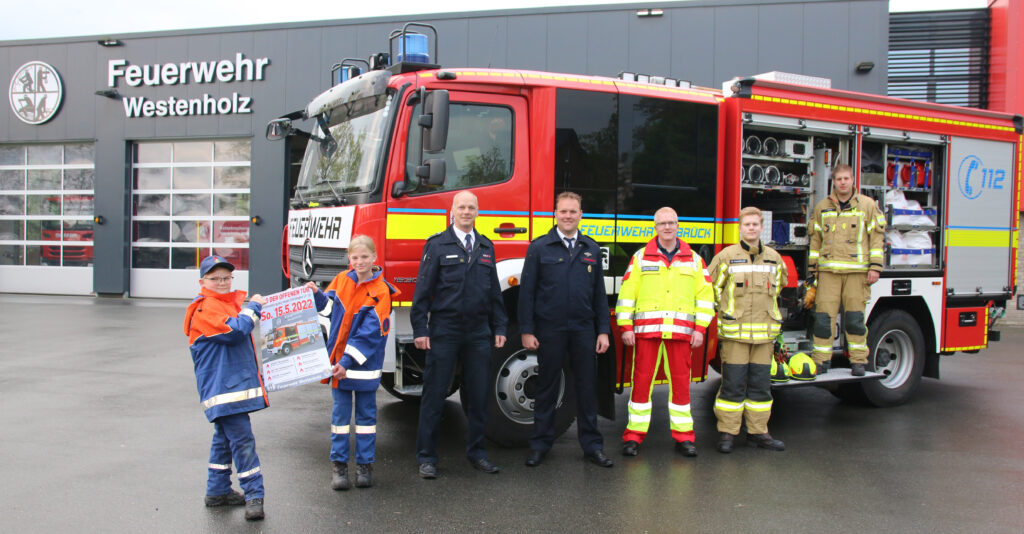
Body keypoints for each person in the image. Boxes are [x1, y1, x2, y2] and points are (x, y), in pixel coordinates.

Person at [412, 190, 508, 479]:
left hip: (478, 331)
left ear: (478, 211)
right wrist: (420, 328)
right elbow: (422, 292)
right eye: (461, 207)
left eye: (471, 207)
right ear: (452, 211)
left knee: (478, 395)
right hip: (445, 330)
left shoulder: (485, 247)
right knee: (435, 394)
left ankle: (477, 453)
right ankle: (427, 457)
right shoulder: (437, 245)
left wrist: (500, 326)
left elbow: (494, 293)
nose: (466, 212)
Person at [518, 192, 613, 468]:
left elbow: (599, 296)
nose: (568, 216)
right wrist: (527, 329)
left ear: (581, 214)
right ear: (555, 214)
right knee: (546, 387)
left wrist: (603, 331)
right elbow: (527, 294)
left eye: (573, 211)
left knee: (586, 388)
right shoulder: (539, 248)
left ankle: (592, 446)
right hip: (551, 329)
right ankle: (540, 445)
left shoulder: (591, 249)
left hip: (584, 330)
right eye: (563, 211)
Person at [615, 207, 715, 457]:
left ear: (678, 225)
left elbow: (705, 297)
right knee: (640, 386)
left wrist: (700, 328)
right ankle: (634, 436)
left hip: (681, 335)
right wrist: (626, 326)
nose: (667, 227)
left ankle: (684, 437)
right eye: (662, 223)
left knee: (681, 387)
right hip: (647, 334)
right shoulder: (640, 258)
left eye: (671, 223)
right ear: (655, 226)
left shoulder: (693, 259)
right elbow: (627, 295)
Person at [309, 235, 398, 491]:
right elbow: (327, 310)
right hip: (341, 367)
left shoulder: (381, 291)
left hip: (361, 367)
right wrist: (316, 294)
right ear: (349, 259)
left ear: (374, 258)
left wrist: (345, 362)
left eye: (364, 257)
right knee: (339, 419)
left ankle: (364, 466)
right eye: (355, 257)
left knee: (366, 420)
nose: (359, 262)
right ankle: (338, 467)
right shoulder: (341, 281)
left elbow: (370, 335)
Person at [183, 255, 267, 521]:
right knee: (242, 441)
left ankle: (217, 491)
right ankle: (254, 495)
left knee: (224, 438)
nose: (222, 282)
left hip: (228, 388)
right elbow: (235, 332)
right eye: (215, 278)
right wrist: (253, 307)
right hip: (224, 389)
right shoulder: (206, 308)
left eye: (226, 277)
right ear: (202, 281)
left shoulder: (225, 304)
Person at [708, 207, 787, 453]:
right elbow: (710, 289)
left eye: (755, 224)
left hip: (764, 337)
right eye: (747, 225)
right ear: (740, 228)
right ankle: (727, 433)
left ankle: (758, 432)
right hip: (735, 336)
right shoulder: (726, 257)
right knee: (732, 385)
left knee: (761, 387)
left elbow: (779, 287)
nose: (751, 228)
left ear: (761, 227)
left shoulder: (774, 258)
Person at [808, 164, 886, 377]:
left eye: (846, 178)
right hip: (828, 273)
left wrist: (875, 267)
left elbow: (877, 239)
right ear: (833, 181)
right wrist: (813, 269)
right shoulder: (822, 207)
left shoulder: (867, 206)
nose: (842, 182)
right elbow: (815, 240)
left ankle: (858, 362)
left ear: (853, 180)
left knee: (854, 319)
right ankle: (821, 360)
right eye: (838, 179)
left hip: (856, 273)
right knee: (824, 319)